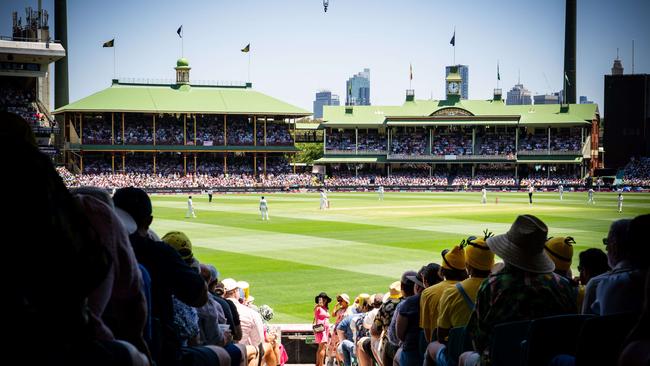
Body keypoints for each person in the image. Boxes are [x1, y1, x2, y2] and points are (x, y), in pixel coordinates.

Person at [460, 215, 577, 366]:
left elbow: (478, 340)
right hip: (548, 360)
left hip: (500, 361)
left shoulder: (493, 285)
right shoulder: (562, 285)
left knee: (464, 356)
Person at [314, 292, 332, 366]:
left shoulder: (325, 308)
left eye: (325, 299)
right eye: (321, 299)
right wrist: (319, 304)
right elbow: (315, 308)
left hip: (324, 329)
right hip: (321, 329)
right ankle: (320, 364)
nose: (323, 300)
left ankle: (318, 364)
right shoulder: (318, 307)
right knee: (323, 347)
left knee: (321, 347)